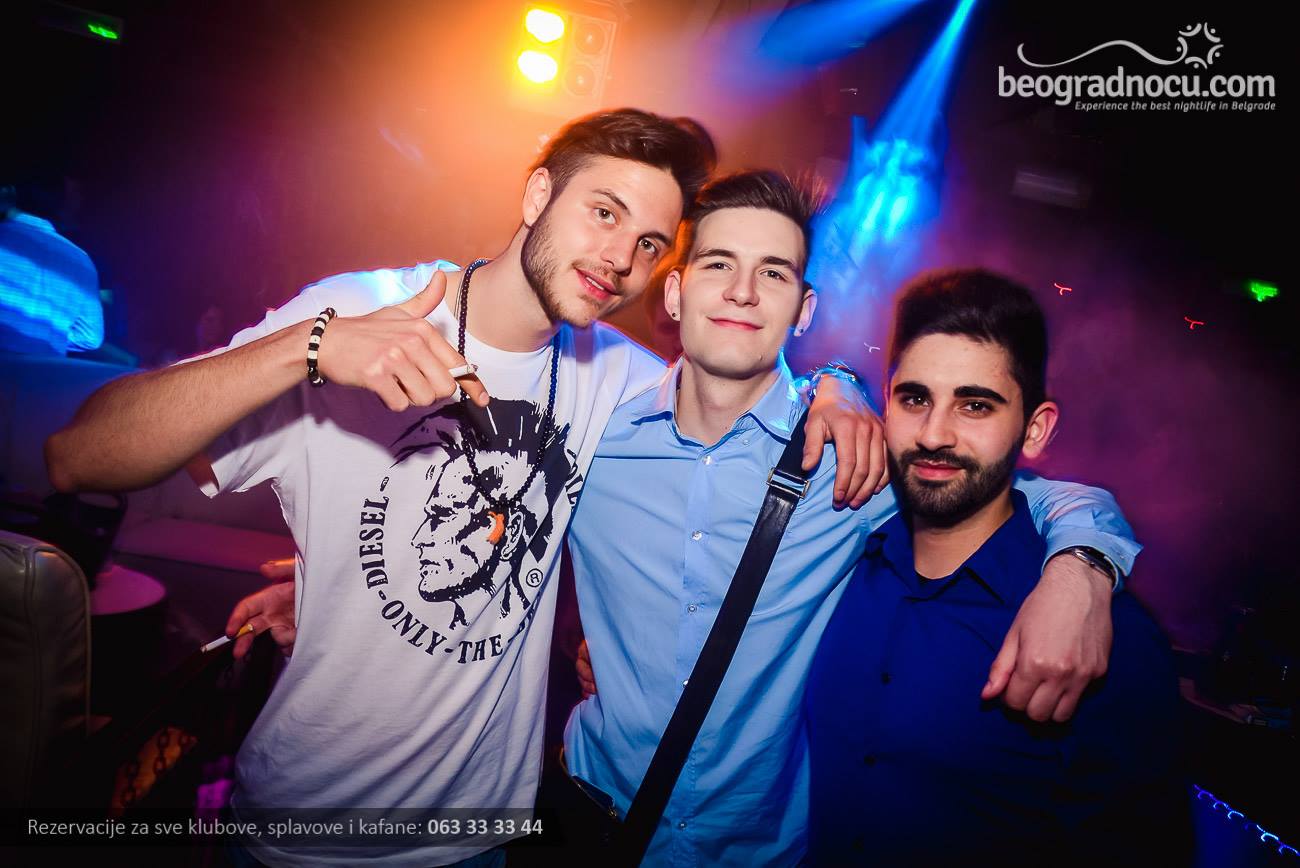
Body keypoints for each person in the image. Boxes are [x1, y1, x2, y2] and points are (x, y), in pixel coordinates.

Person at [44, 109, 882, 868]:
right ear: (537, 194)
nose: (620, 258)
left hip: (478, 841)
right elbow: (79, 457)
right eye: (604, 212)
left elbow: (737, 376)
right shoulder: (363, 310)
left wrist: (837, 385)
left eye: (649, 244)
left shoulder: (617, 379)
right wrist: (307, 347)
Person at [234, 172, 1141, 866]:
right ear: (673, 294)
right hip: (579, 823)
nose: (742, 291)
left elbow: (1002, 486)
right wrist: (335, 593)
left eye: (773, 273)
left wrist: (1084, 567)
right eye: (717, 264)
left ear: (803, 309)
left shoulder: (848, 459)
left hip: (755, 854)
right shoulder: (594, 435)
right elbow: (485, 518)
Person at [804, 268, 1187, 866]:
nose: (935, 434)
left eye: (975, 406)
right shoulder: (837, 563)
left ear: (1034, 429)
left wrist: (1084, 568)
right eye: (915, 399)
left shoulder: (1100, 636)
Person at [0, 178, 103, 355]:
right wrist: (48, 336)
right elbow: (91, 338)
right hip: (44, 370)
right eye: (75, 196)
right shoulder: (81, 260)